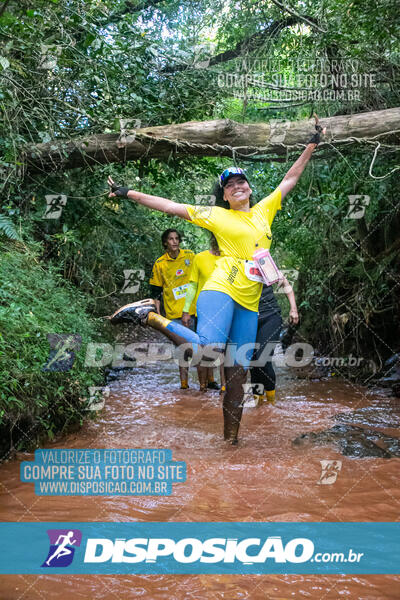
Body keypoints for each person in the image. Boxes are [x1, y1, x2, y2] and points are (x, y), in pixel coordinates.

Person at [107, 118, 324, 444]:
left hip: (250, 300)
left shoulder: (265, 211)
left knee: (236, 377)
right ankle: (149, 315)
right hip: (222, 286)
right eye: (230, 184)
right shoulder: (216, 215)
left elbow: (290, 178)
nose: (237, 186)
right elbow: (169, 206)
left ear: (249, 187)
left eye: (241, 181)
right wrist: (127, 192)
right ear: (223, 194)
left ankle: (231, 443)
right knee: (207, 351)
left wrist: (312, 144)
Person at [148, 228, 196, 389]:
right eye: (170, 239)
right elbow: (156, 293)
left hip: (194, 311)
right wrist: (158, 316)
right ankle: (184, 385)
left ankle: (208, 382)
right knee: (182, 350)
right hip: (174, 314)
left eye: (177, 238)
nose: (174, 241)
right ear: (165, 243)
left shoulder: (190, 256)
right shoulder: (160, 264)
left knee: (202, 348)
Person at [181, 233, 226, 393]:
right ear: (213, 239)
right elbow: (192, 286)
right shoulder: (200, 258)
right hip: (204, 311)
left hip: (226, 310)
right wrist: (186, 310)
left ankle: (224, 386)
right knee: (202, 349)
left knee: (224, 350)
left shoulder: (232, 258)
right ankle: (203, 387)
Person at [250, 276, 299, 407]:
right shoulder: (233, 263)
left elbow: (285, 283)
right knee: (253, 363)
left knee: (263, 359)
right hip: (247, 318)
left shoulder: (261, 260)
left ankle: (271, 403)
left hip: (270, 317)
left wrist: (293, 309)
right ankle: (258, 403)